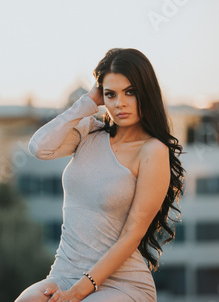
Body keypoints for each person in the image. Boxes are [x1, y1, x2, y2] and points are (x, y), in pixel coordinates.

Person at [14, 48, 185, 302]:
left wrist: (79, 291)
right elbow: (39, 147)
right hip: (65, 273)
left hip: (121, 283)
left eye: (130, 92)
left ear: (145, 93)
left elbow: (132, 235)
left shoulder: (153, 151)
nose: (120, 103)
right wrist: (87, 102)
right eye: (110, 94)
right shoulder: (89, 132)